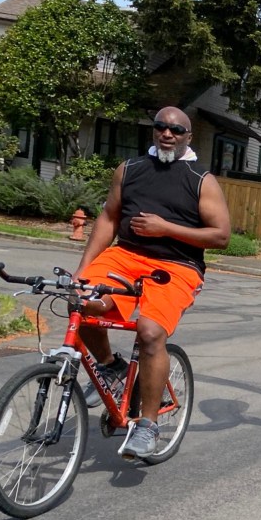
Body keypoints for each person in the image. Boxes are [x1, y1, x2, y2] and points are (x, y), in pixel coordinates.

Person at [74, 106, 231, 460]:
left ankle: (147, 425)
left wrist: (167, 229)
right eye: (161, 127)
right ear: (154, 131)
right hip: (125, 255)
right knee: (80, 302)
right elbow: (109, 217)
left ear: (188, 137)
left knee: (149, 332)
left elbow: (221, 236)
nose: (168, 134)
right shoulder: (129, 170)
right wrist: (82, 270)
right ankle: (112, 367)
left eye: (177, 130)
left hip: (177, 265)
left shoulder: (200, 178)